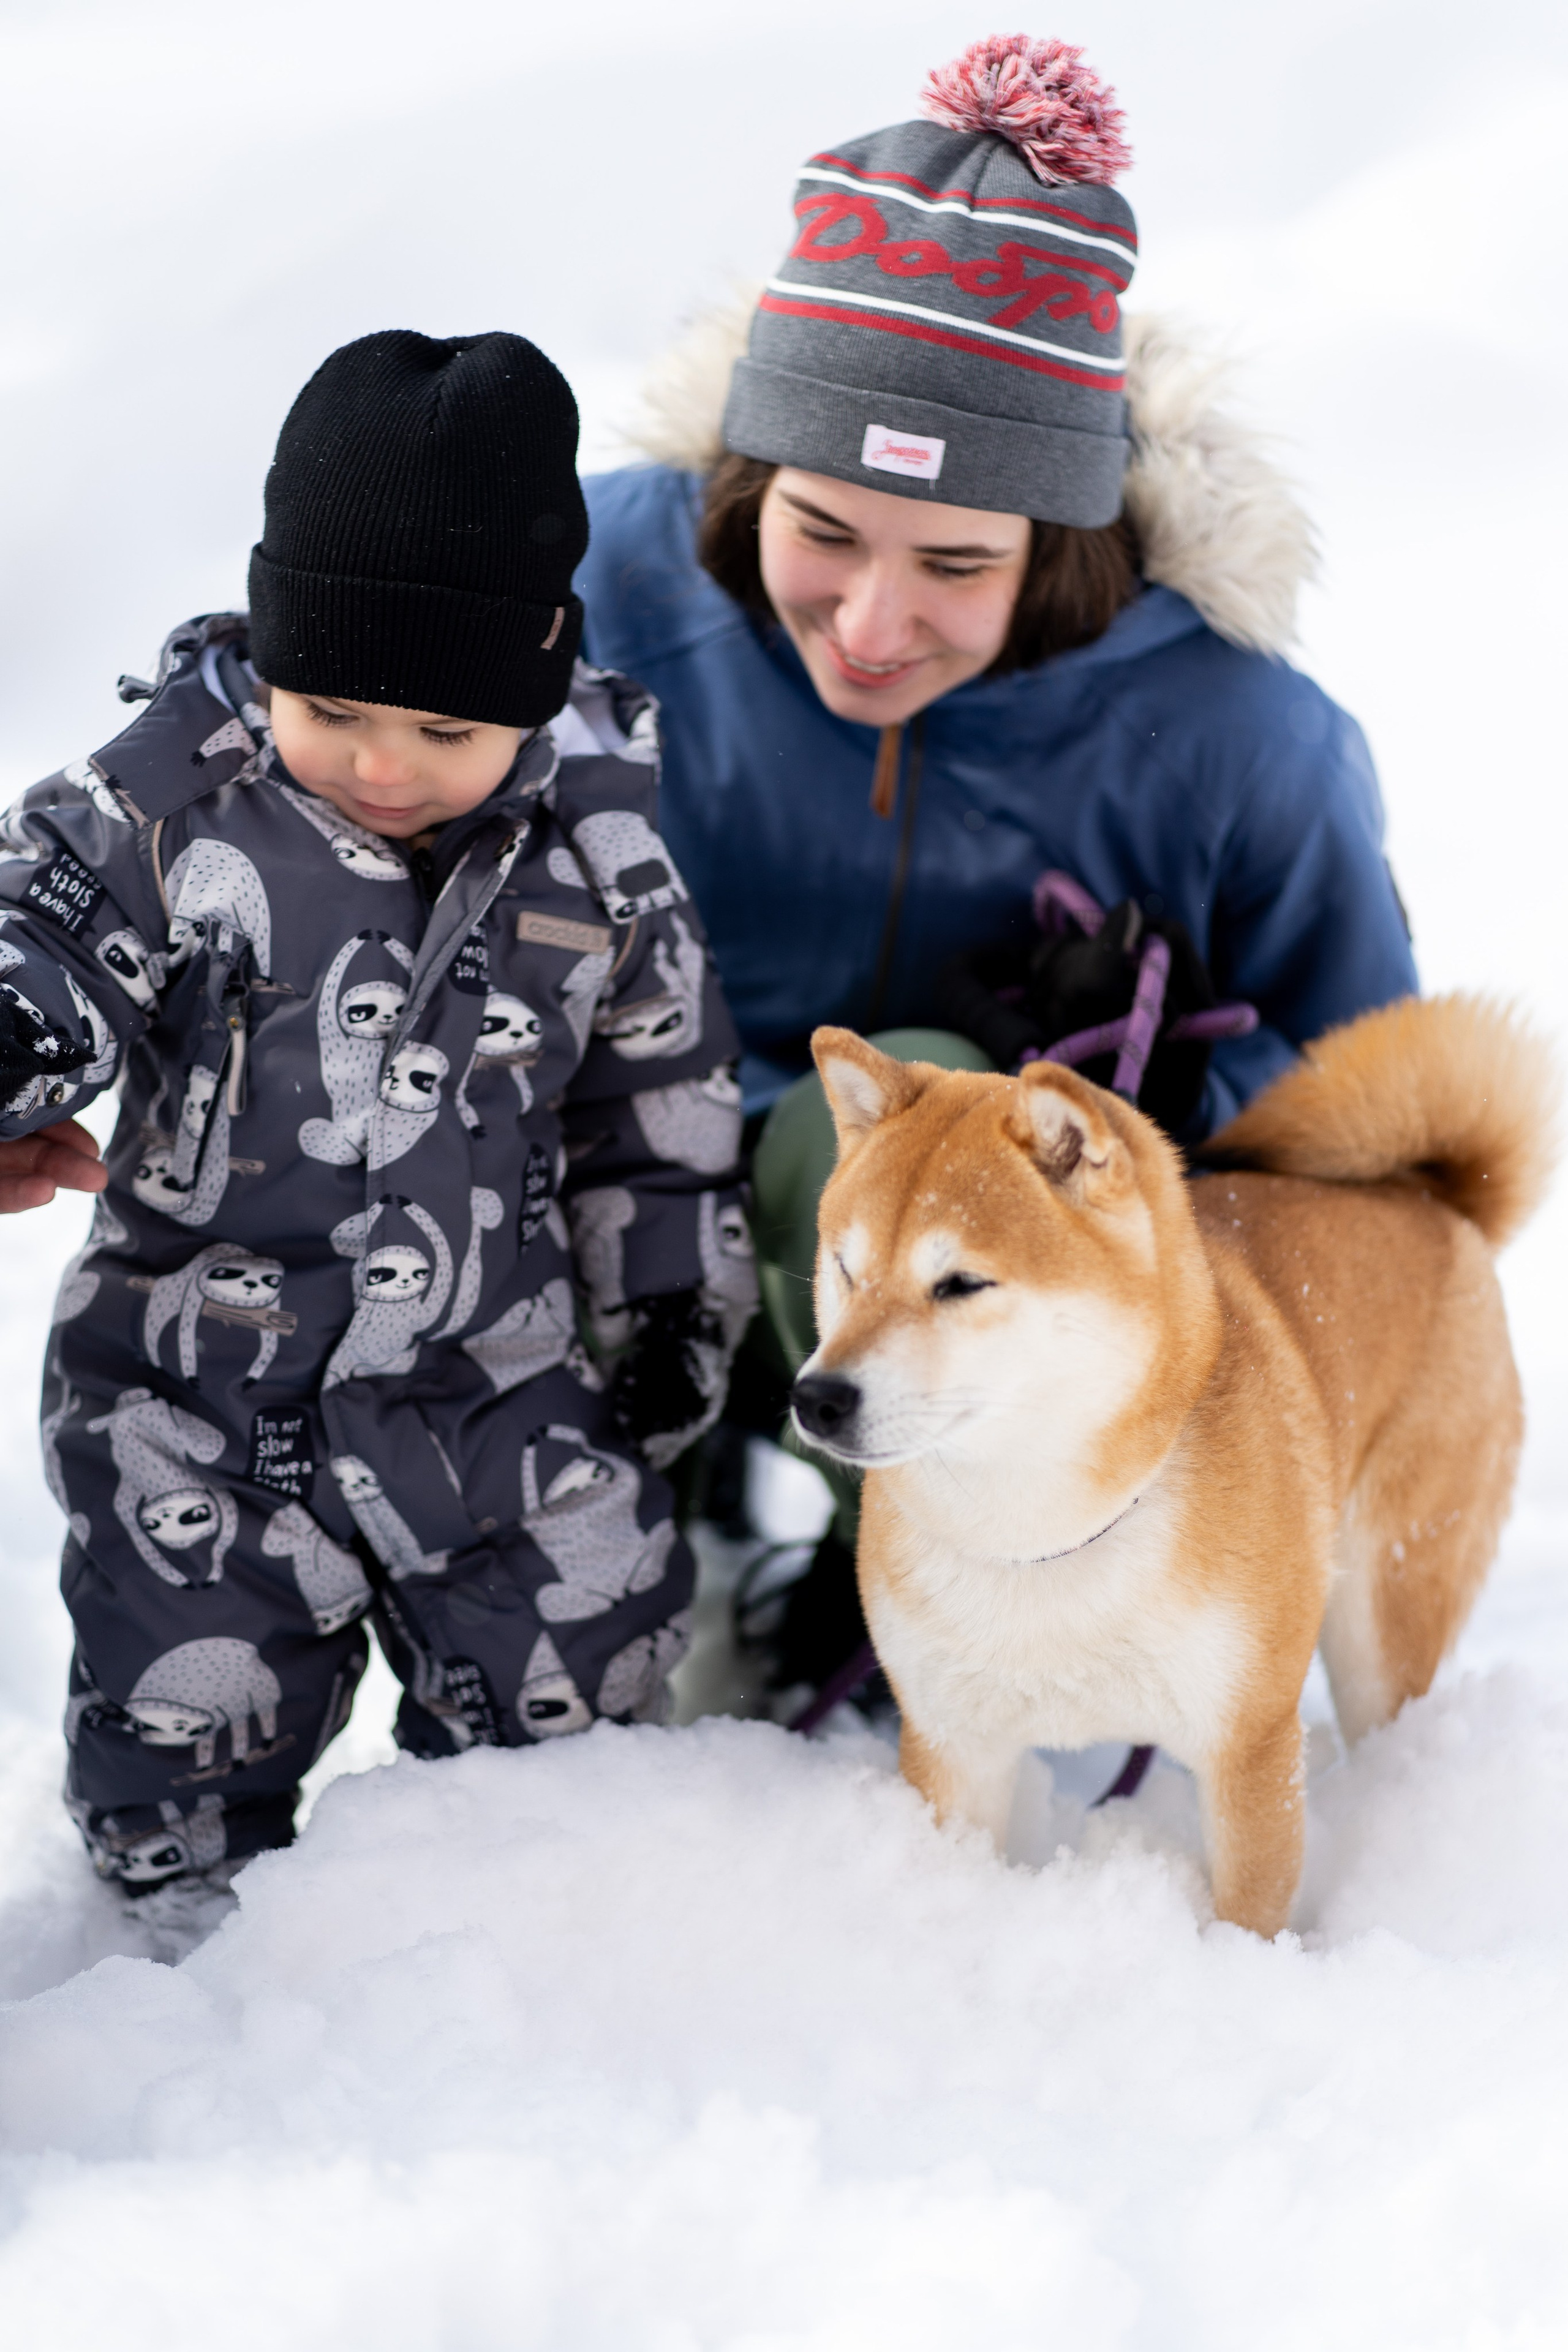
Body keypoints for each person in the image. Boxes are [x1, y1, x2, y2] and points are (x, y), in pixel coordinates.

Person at [575, 35, 1418, 1696]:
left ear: (1058, 541)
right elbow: (297, 759)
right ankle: (615, 1549)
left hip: (976, 1336)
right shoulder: (593, 591)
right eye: (820, 530)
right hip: (614, 1213)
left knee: (905, 1109)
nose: (871, 624)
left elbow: (1376, 1133)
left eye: (955, 564)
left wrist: (1169, 1099)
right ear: (750, 473)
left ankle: (943, 1598)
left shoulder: (1234, 738)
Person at [0, 330, 755, 1947]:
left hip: (495, 1373)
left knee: (583, 1648)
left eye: (445, 730)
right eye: (331, 707)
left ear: (533, 696)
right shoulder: (171, 806)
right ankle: (184, 1953)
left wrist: (672, 1304)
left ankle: (522, 1938)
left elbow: (658, 1096)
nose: (385, 764)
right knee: (184, 1699)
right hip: (196, 1382)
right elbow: (43, 923)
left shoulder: (599, 850)